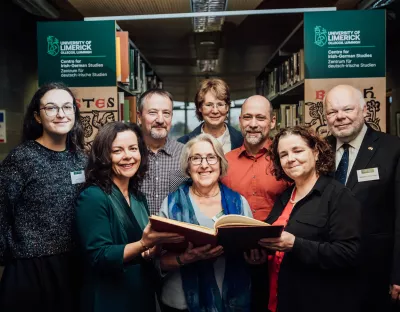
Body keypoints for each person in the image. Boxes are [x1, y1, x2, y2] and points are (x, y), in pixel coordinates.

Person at [75, 122, 184, 312]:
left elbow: (138, 247)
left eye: (133, 148)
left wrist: (154, 248)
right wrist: (144, 244)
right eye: (117, 150)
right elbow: (99, 256)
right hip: (109, 298)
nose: (128, 156)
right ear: (103, 156)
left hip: (140, 294)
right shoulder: (93, 196)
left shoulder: (137, 196)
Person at [0, 82, 86, 311]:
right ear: (38, 116)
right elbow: (1, 212)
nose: (61, 114)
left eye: (67, 107)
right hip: (30, 270)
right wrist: (12, 255)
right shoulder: (22, 159)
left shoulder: (81, 159)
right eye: (51, 108)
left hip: (73, 265)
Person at [259, 126, 361, 312]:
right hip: (280, 299)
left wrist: (295, 244)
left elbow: (349, 253)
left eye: (297, 151)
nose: (290, 159)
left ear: (315, 153)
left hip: (317, 301)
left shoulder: (338, 195)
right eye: (283, 154)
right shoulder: (285, 196)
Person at [324, 84, 400, 311]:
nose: (340, 117)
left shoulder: (392, 149)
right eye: (332, 112)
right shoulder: (320, 150)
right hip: (327, 268)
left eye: (347, 109)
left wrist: (399, 272)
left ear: (365, 111)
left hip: (375, 270)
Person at [159, 134, 253, 312]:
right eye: (196, 158)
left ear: (220, 164)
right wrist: (185, 258)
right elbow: (159, 261)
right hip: (181, 302)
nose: (204, 165)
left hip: (231, 303)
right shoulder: (171, 204)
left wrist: (254, 256)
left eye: (211, 157)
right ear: (187, 166)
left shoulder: (239, 203)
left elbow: (249, 250)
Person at [220, 95, 288, 312]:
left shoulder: (286, 160)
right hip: (232, 257)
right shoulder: (223, 161)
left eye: (260, 117)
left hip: (280, 258)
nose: (253, 124)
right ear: (239, 121)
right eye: (247, 117)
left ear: (273, 121)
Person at [137, 89, 187, 216]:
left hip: (177, 232)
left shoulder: (186, 154)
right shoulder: (129, 155)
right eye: (153, 113)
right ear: (139, 117)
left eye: (166, 113)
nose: (160, 120)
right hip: (137, 233)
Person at [178, 78, 243, 153]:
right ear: (200, 107)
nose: (215, 111)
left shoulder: (243, 141)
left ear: (227, 107)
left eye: (220, 104)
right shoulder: (183, 144)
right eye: (209, 105)